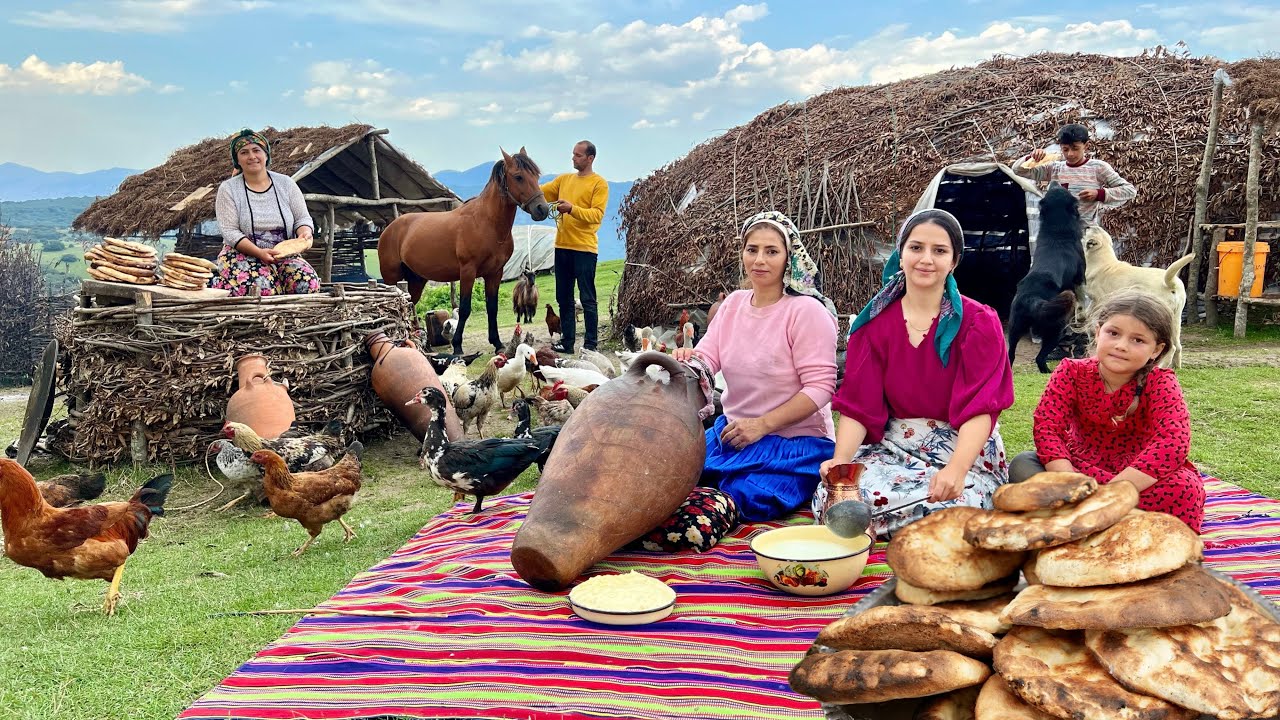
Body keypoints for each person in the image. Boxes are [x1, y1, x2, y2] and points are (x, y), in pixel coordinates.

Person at [814, 209, 1015, 538]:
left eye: (939, 251)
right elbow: (858, 406)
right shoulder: (874, 326)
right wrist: (841, 462)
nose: (926, 259)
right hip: (896, 446)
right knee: (838, 497)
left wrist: (956, 469)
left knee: (956, 508)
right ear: (901, 253)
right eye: (916, 247)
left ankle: (902, 531)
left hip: (962, 446)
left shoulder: (979, 323)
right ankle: (889, 529)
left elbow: (982, 407)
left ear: (954, 262)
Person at [655, 210, 837, 550]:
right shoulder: (733, 305)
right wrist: (687, 360)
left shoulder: (806, 312)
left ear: (789, 258)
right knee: (672, 474)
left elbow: (821, 387)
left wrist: (763, 425)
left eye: (771, 251)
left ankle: (698, 521)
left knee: (749, 494)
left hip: (794, 443)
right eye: (752, 249)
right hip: (734, 434)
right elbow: (708, 358)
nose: (760, 260)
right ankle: (666, 519)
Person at [1009, 291, 1204, 532]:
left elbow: (1173, 442)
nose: (1121, 346)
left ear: (1156, 350)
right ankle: (1111, 521)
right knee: (1023, 464)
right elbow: (1048, 427)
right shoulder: (1071, 371)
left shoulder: (1161, 382)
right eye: (1113, 333)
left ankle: (1088, 520)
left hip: (1136, 478)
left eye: (1138, 340)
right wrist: (1071, 482)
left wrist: (1114, 492)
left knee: (1184, 488)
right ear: (1097, 331)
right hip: (1080, 472)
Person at [211, 129, 321, 296]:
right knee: (262, 289)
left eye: (256, 150)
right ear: (237, 160)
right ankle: (224, 286)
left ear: (266, 155)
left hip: (283, 253)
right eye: (244, 152)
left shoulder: (286, 184)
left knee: (308, 284)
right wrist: (259, 253)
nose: (252, 156)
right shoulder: (229, 189)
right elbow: (230, 232)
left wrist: (305, 233)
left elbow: (302, 218)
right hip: (242, 253)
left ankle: (295, 320)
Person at [540, 141, 608, 353]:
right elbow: (539, 192)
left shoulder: (599, 184)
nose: (573, 158)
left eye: (578, 155)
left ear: (590, 158)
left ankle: (590, 345)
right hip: (562, 247)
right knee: (564, 298)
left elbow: (596, 215)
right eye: (573, 154)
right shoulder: (564, 180)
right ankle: (567, 343)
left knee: (588, 298)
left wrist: (572, 209)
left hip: (585, 249)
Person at [1015, 123, 1136, 227]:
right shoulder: (1054, 168)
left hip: (1085, 235)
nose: (1070, 154)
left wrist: (1099, 194)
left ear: (1086, 146)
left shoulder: (1098, 168)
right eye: (1065, 149)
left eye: (1075, 148)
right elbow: (1018, 170)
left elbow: (1130, 191)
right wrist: (1031, 157)